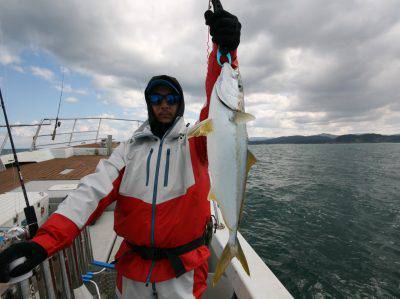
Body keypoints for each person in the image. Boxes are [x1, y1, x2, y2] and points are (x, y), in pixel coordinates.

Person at [0, 8, 241, 298]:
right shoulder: (128, 151)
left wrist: (225, 49)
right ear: (149, 104)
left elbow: (220, 103)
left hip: (184, 275)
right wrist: (42, 243)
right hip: (132, 277)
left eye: (171, 98)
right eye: (156, 98)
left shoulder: (196, 144)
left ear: (179, 105)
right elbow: (88, 195)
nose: (164, 104)